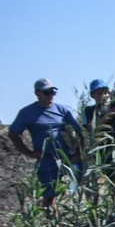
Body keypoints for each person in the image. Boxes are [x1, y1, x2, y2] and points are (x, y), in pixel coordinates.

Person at [7, 78, 85, 215]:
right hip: (46, 160)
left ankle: (84, 224)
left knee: (81, 188)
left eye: (53, 92)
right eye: (47, 92)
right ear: (37, 93)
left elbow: (79, 132)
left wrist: (78, 153)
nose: (51, 96)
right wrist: (29, 153)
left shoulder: (62, 110)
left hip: (68, 158)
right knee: (49, 195)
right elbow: (13, 133)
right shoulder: (27, 113)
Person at [83, 79, 115, 204]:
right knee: (113, 183)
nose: (103, 95)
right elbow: (89, 128)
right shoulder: (89, 111)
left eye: (105, 92)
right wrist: (103, 118)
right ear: (92, 95)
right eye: (99, 93)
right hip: (104, 150)